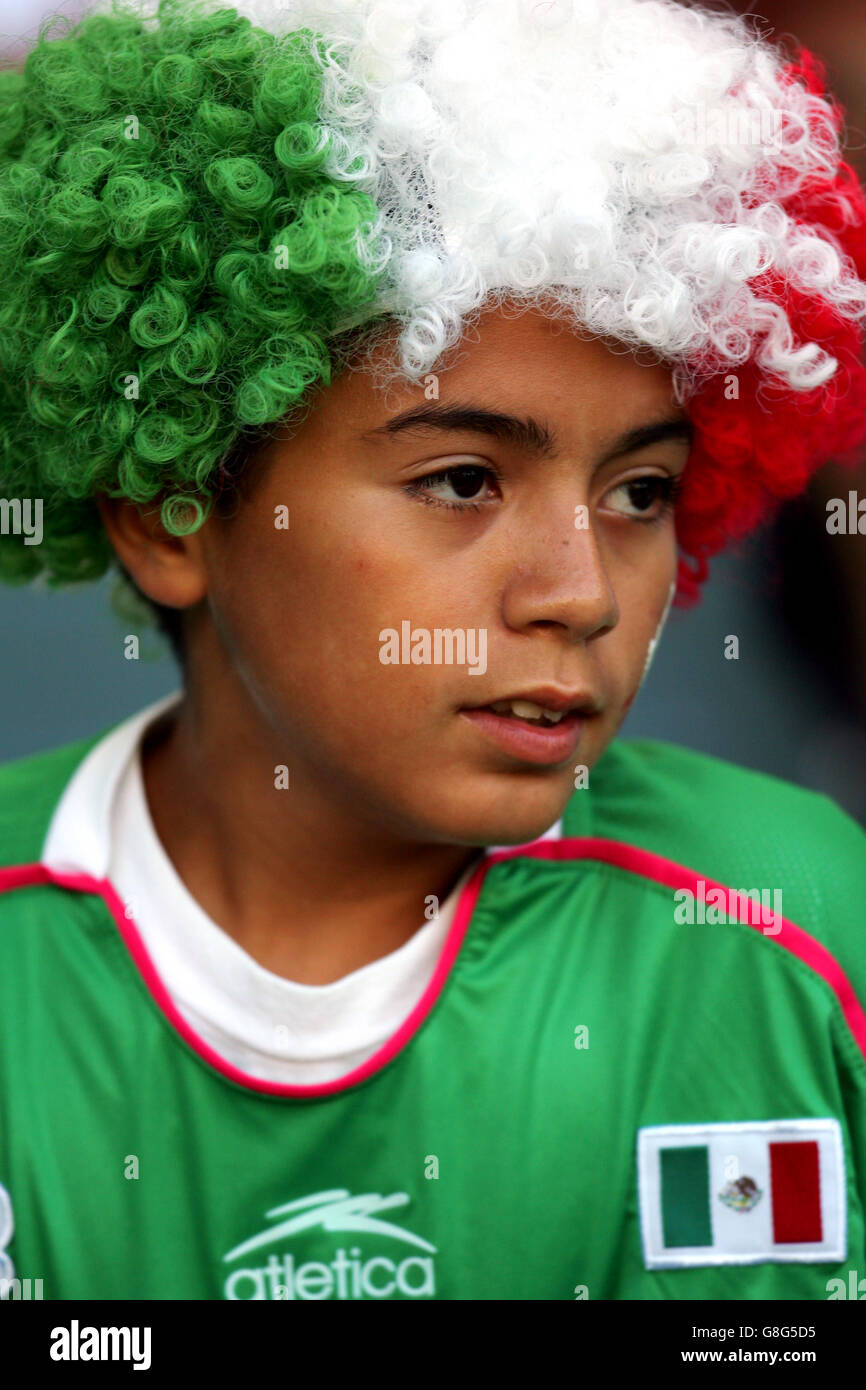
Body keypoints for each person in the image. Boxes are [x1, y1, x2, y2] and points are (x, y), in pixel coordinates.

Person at [0, 0, 865, 1302]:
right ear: (169, 513)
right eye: (463, 479)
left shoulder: (795, 925)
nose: (580, 592)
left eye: (637, 493)